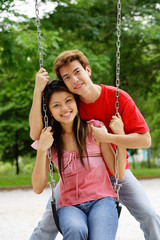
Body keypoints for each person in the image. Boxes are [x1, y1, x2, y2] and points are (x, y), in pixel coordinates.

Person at [29, 50, 160, 240]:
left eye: (77, 72)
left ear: (88, 70)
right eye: (67, 77)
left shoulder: (117, 98)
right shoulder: (70, 103)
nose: (74, 80)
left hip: (113, 167)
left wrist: (110, 137)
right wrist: (38, 90)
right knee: (48, 224)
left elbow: (144, 140)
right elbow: (36, 134)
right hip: (76, 172)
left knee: (148, 214)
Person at [31, 79, 126, 240]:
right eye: (56, 105)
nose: (65, 108)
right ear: (50, 111)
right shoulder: (50, 139)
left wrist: (120, 137)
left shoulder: (95, 129)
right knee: (76, 230)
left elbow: (119, 173)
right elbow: (38, 187)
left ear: (76, 101)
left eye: (68, 100)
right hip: (70, 206)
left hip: (102, 200)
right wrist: (42, 149)